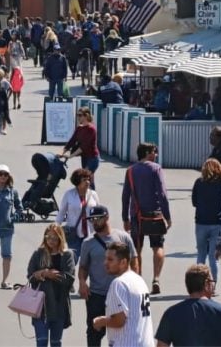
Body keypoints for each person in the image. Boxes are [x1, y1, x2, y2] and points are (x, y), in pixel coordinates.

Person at [78, 206, 138, 347]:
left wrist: (134, 284)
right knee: (94, 331)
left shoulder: (123, 237)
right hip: (97, 295)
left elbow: (134, 260)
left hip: (121, 295)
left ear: (106, 218)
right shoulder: (88, 243)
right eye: (92, 220)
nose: (94, 222)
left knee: (122, 329)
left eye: (97, 219)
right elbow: (83, 267)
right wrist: (82, 282)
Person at [122, 143, 171, 295]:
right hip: (155, 215)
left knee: (136, 249)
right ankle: (156, 278)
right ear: (148, 153)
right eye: (154, 152)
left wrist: (125, 218)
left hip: (136, 216)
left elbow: (125, 196)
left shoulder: (130, 171)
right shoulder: (156, 168)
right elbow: (162, 194)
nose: (156, 154)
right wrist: (167, 216)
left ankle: (138, 280)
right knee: (158, 247)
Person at [153, 264, 221, 347]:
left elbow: (161, 345)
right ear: (207, 284)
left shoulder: (171, 313)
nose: (213, 285)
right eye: (212, 281)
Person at [93, 241, 155, 347]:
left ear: (123, 262)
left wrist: (100, 321)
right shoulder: (139, 280)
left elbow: (119, 321)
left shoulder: (119, 283)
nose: (105, 263)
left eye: (110, 259)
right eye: (106, 258)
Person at [26, 224, 75, 347]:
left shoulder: (67, 255)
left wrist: (48, 275)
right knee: (41, 342)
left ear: (60, 238)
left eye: (54, 238)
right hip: (40, 306)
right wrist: (44, 273)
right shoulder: (38, 254)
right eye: (48, 237)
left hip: (59, 305)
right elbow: (30, 277)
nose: (51, 241)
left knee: (55, 343)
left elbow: (68, 278)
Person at [191, 158, 221, 284]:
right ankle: (213, 284)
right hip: (217, 222)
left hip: (201, 222)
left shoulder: (199, 182)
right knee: (214, 257)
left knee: (201, 254)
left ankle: (200, 283)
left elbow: (194, 202)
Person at [57, 168, 100, 258]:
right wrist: (56, 227)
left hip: (90, 233)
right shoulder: (69, 194)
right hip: (74, 233)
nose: (88, 182)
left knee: (89, 260)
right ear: (77, 181)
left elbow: (99, 213)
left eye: (88, 179)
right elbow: (61, 212)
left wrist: (101, 229)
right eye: (84, 180)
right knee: (73, 258)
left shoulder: (93, 194)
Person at [59, 108, 101, 187]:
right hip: (84, 158)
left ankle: (90, 198)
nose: (78, 117)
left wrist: (70, 156)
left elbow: (83, 147)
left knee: (85, 179)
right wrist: (62, 152)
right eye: (77, 115)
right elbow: (71, 141)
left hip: (92, 158)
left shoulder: (91, 129)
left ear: (86, 116)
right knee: (89, 180)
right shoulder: (79, 128)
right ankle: (91, 198)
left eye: (80, 115)